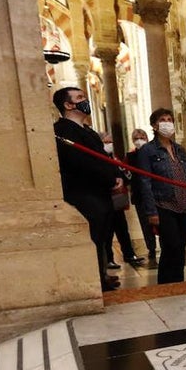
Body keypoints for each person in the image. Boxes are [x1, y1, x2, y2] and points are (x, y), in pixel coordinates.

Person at [52, 86, 123, 292]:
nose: (85, 100)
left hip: (99, 192)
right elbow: (82, 163)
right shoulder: (63, 131)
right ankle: (94, 280)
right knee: (92, 238)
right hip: (84, 193)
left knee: (102, 237)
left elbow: (103, 157)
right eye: (80, 97)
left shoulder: (87, 131)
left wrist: (115, 175)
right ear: (68, 104)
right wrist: (109, 179)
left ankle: (101, 276)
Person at [136, 108, 186, 284]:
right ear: (155, 125)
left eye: (170, 119)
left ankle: (178, 281)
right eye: (163, 119)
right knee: (170, 245)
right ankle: (165, 283)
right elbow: (145, 182)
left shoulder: (179, 149)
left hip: (184, 204)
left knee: (181, 247)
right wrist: (151, 212)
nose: (167, 122)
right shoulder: (148, 151)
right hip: (164, 204)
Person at [101, 131, 145, 270]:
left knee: (123, 229)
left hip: (117, 199)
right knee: (107, 232)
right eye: (106, 142)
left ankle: (129, 254)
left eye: (110, 142)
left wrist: (122, 178)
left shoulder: (114, 158)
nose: (109, 145)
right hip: (105, 199)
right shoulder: (99, 158)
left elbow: (126, 174)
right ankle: (108, 259)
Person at [127, 128, 158, 267]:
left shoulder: (153, 152)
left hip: (156, 192)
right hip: (139, 194)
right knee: (145, 223)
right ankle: (151, 247)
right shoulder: (130, 156)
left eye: (142, 137)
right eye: (136, 138)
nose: (139, 139)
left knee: (160, 221)